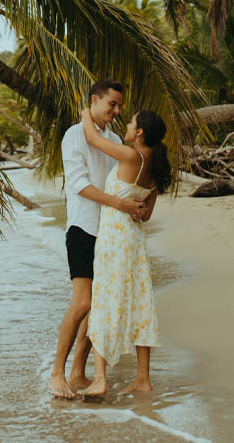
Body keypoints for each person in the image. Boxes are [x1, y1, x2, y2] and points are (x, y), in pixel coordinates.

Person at [48, 79, 146, 399]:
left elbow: (122, 182)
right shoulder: (74, 136)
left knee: (97, 307)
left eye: (119, 106)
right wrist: (119, 204)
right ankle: (56, 373)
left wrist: (135, 205)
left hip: (108, 234)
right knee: (82, 302)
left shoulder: (115, 139)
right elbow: (80, 185)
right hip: (82, 228)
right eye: (112, 104)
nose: (117, 111)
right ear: (95, 100)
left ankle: (78, 371)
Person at [80, 107, 172, 396]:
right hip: (134, 241)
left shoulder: (132, 156)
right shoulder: (155, 166)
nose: (128, 126)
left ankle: (100, 379)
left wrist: (86, 109)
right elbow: (145, 216)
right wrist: (138, 207)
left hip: (113, 240)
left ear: (140, 132)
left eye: (132, 123)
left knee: (105, 302)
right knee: (140, 303)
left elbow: (93, 139)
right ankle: (143, 379)